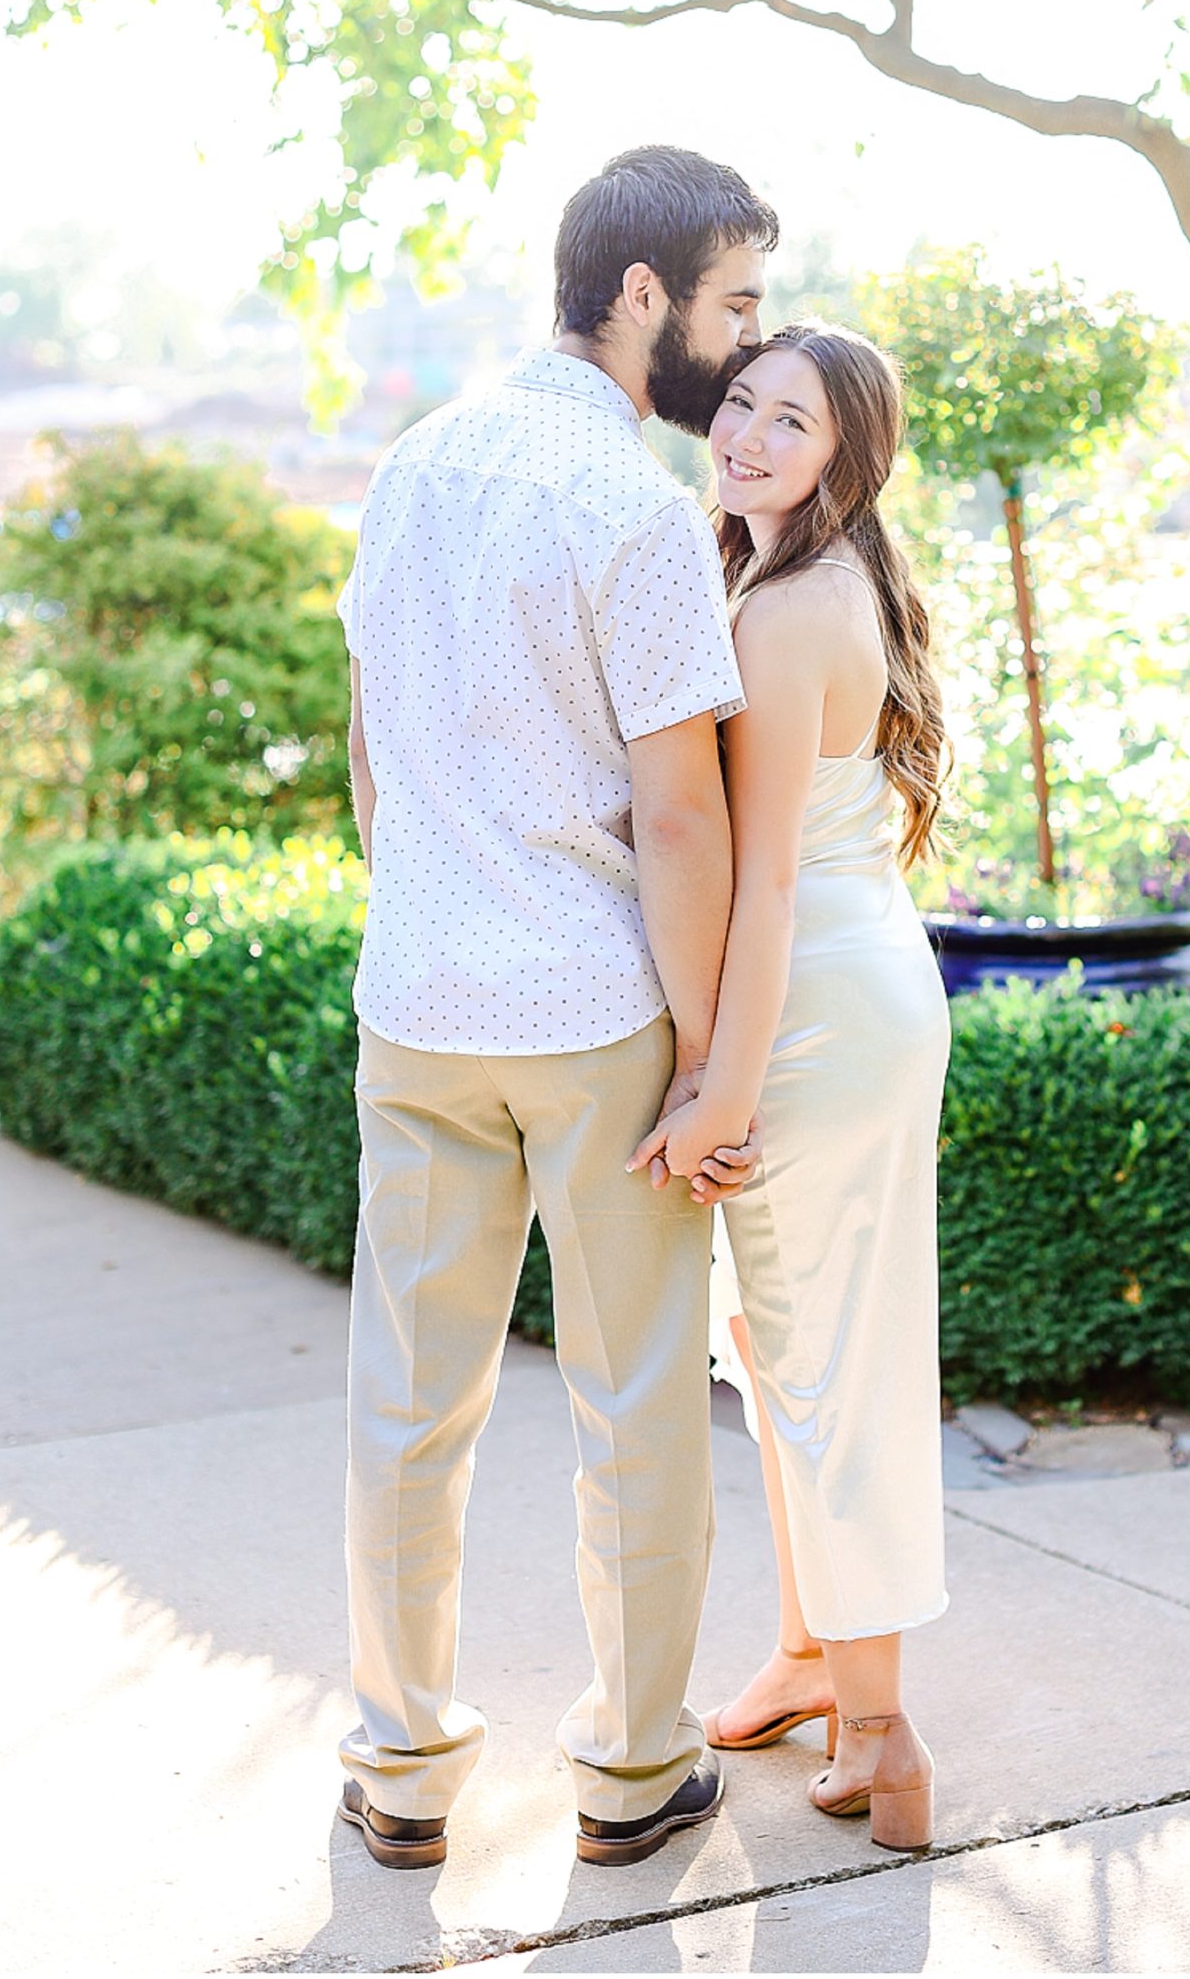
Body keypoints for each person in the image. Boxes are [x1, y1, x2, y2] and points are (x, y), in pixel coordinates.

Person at [335, 144, 777, 1873]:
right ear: (644, 295)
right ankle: (630, 1773)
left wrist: (426, 911)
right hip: (593, 1016)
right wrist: (702, 1056)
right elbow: (680, 813)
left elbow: (376, 748)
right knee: (636, 1404)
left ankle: (402, 1773)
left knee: (404, 1404)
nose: (747, 352)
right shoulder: (638, 510)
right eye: (733, 304)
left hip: (420, 1002)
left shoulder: (415, 460)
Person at [630, 322, 952, 1852]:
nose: (750, 437)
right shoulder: (817, 580)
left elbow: (752, 894)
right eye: (743, 405)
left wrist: (717, 1088)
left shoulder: (782, 613)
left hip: (810, 1009)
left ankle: (883, 1735)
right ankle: (811, 1655)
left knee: (831, 1369)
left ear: (845, 457)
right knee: (779, 1350)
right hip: (854, 980)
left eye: (793, 423)